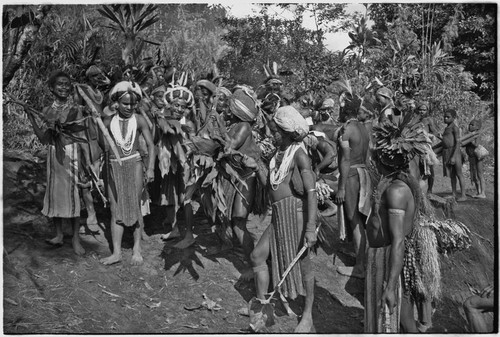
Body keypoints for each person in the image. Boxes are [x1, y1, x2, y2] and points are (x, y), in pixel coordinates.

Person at [247, 105, 317, 333]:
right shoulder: (279, 154)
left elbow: (311, 193)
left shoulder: (300, 155)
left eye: (276, 131)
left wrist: (310, 228)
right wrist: (256, 166)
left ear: (287, 132)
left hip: (295, 215)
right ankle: (262, 308)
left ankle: (307, 316)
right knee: (257, 256)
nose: (272, 134)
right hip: (279, 214)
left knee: (304, 266)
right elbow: (273, 184)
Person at [365, 114, 435, 333]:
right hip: (383, 259)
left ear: (382, 160)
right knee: (402, 320)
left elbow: (397, 241)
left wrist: (390, 285)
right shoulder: (393, 185)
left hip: (388, 262)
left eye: (375, 157)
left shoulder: (396, 191)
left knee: (392, 321)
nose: (372, 161)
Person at [26, 70, 86, 255]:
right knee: (55, 195)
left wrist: (84, 165)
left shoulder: (76, 109)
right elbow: (45, 139)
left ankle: (76, 238)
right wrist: (31, 118)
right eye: (60, 84)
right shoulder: (46, 111)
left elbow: (81, 137)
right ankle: (59, 235)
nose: (64, 87)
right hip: (54, 155)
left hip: (72, 154)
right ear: (51, 88)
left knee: (74, 196)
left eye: (67, 84)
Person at [99, 81, 155, 265]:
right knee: (115, 209)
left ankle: (137, 249)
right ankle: (116, 253)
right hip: (113, 166)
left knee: (135, 205)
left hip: (135, 164)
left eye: (133, 104)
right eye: (125, 103)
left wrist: (151, 167)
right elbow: (101, 145)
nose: (129, 107)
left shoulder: (138, 120)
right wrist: (96, 123)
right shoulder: (107, 121)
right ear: (116, 102)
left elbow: (151, 144)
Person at [217, 87, 263, 280]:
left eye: (229, 105)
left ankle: (255, 266)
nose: (226, 109)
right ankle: (225, 245)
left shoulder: (243, 126)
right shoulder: (235, 124)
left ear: (236, 109)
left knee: (238, 222)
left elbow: (230, 145)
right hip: (236, 176)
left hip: (247, 178)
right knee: (225, 215)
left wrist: (215, 126)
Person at [156, 85, 198, 249]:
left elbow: (193, 144)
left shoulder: (188, 124)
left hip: (185, 165)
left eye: (183, 106)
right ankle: (173, 228)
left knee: (185, 199)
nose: (179, 109)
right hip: (169, 166)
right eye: (176, 105)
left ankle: (189, 234)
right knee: (169, 195)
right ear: (169, 105)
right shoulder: (163, 120)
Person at [334, 94, 371, 279]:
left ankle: (360, 267)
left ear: (345, 110)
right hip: (363, 174)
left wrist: (341, 187)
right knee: (361, 220)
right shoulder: (363, 128)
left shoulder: (347, 130)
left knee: (354, 219)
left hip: (352, 176)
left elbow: (345, 160)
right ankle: (361, 258)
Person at [441, 109, 467, 201]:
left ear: (454, 118)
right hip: (447, 152)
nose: (445, 118)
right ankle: (454, 194)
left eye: (448, 117)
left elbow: (457, 143)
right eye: (444, 116)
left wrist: (453, 156)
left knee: (459, 174)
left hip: (455, 152)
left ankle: (463, 195)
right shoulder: (446, 128)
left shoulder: (454, 128)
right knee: (452, 175)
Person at [416, 102, 440, 194]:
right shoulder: (414, 120)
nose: (422, 111)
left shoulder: (429, 120)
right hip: (415, 144)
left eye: (424, 110)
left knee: (429, 167)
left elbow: (434, 132)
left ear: (427, 111)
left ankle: (430, 190)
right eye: (420, 109)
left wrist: (427, 135)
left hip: (425, 146)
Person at [465, 118, 487, 199]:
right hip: (471, 157)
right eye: (469, 124)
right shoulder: (470, 135)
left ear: (477, 127)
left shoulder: (476, 135)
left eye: (472, 125)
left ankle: (483, 193)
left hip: (477, 157)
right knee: (474, 175)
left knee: (480, 174)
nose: (470, 126)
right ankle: (478, 192)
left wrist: (470, 141)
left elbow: (476, 145)